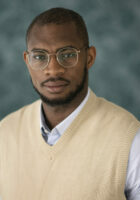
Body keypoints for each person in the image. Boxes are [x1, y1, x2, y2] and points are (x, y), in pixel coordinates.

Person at [0, 7, 140, 200]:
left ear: (89, 57)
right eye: (40, 56)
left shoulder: (130, 138)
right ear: (27, 61)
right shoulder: (5, 132)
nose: (53, 70)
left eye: (67, 55)